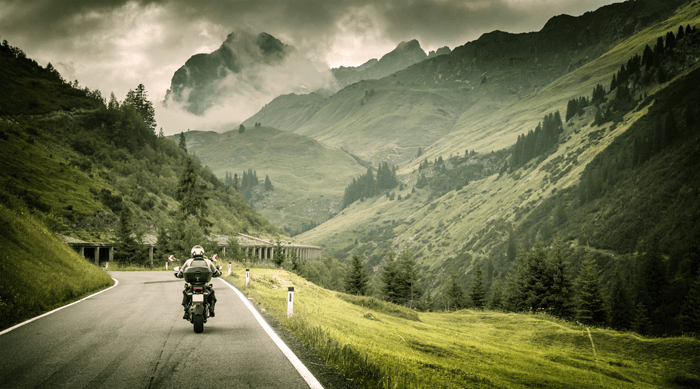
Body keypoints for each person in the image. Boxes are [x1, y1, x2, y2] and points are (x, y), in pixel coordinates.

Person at [176, 245, 221, 319]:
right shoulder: (208, 261)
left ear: (192, 253)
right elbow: (216, 272)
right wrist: (218, 274)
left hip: (192, 285)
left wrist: (178, 275)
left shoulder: (188, 261)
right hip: (203, 285)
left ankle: (186, 310)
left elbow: (181, 272)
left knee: (185, 292)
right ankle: (211, 309)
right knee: (211, 292)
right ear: (202, 253)